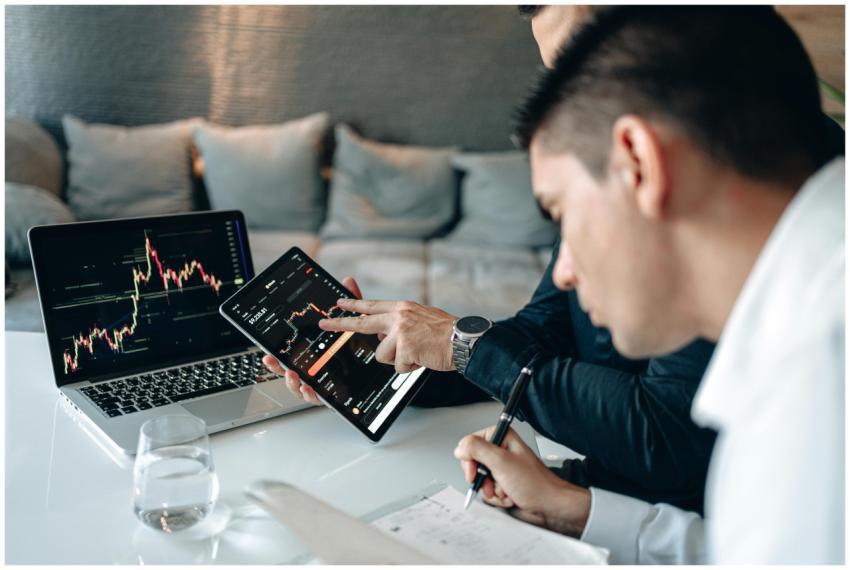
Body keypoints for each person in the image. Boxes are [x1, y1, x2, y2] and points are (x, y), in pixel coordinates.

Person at [451, 6, 843, 563]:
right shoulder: (798, 289)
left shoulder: (820, 367)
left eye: (563, 210)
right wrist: (574, 509)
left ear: (639, 160)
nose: (563, 271)